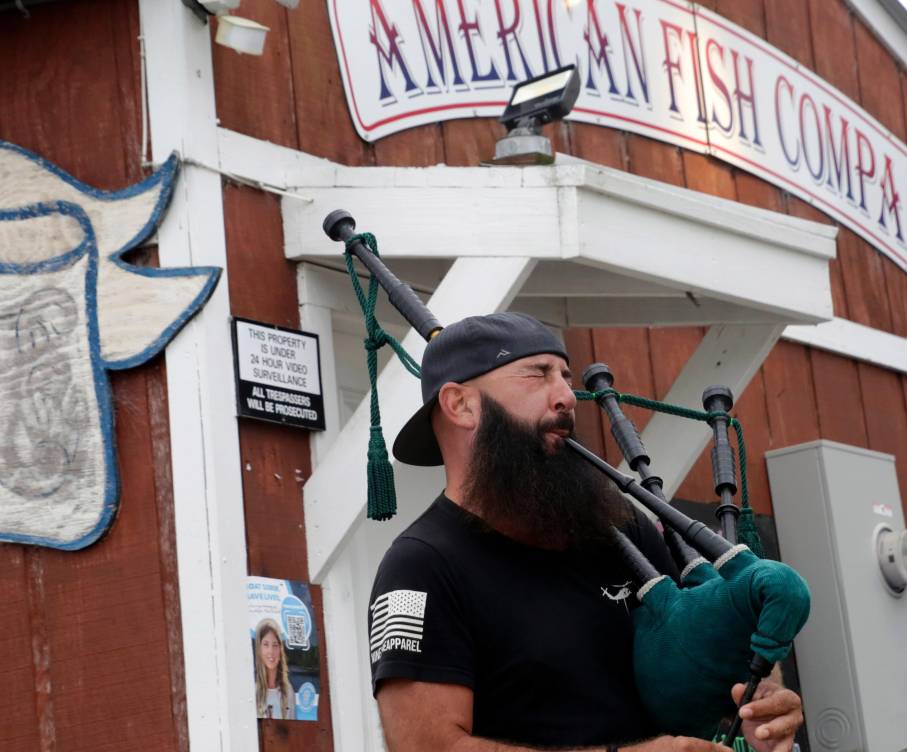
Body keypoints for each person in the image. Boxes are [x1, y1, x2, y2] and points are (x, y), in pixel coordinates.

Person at [369, 313, 803, 751]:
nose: (566, 397)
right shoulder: (420, 566)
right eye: (538, 375)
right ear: (461, 405)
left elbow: (720, 636)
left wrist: (760, 700)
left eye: (565, 377)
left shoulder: (620, 527)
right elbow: (427, 746)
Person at [255, 618, 295, 719]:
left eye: (275, 645)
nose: (271, 651)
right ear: (259, 649)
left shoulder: (288, 691)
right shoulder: (252, 690)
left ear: (280, 650)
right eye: (266, 644)